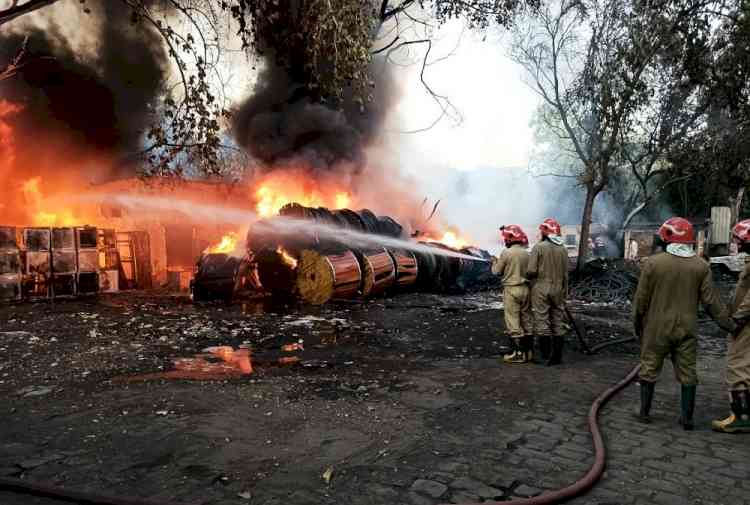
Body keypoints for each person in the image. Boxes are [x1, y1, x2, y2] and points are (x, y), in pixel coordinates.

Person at [634, 217, 735, 430]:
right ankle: (687, 418)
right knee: (688, 372)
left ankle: (644, 413)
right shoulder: (701, 266)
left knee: (649, 368)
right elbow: (711, 301)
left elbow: (641, 301)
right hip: (687, 328)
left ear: (667, 237)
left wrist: (638, 325)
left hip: (657, 327)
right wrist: (729, 325)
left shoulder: (653, 263)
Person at [713, 219, 750, 433]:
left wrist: (738, 319)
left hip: (746, 324)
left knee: (737, 366)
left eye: (739, 238)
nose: (735, 241)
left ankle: (741, 416)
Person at [528, 218, 569, 366]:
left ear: (545, 232)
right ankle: (557, 356)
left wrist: (528, 277)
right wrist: (565, 292)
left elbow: (531, 270)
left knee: (542, 320)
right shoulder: (563, 249)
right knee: (558, 321)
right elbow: (566, 273)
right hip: (559, 288)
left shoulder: (539, 247)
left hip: (541, 287)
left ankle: (545, 356)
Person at [492, 225, 533, 364]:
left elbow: (496, 272)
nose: (505, 241)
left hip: (511, 289)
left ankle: (518, 354)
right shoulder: (528, 253)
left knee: (513, 320)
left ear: (510, 239)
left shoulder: (506, 253)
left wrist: (494, 262)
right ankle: (529, 352)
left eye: (505, 238)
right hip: (526, 289)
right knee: (526, 319)